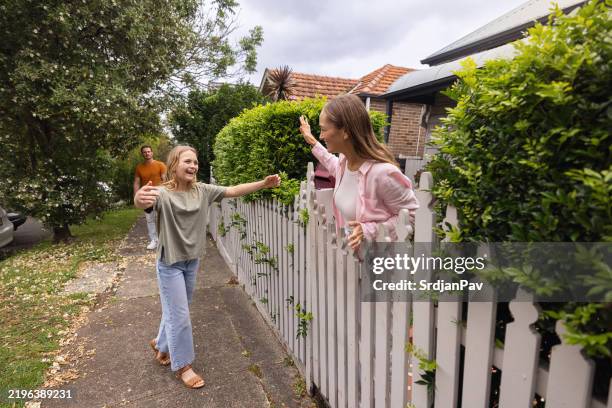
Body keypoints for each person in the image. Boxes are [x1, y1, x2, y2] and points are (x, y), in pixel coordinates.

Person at [134, 145, 281, 389]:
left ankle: (160, 343)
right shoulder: (161, 194)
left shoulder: (202, 191)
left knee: (176, 308)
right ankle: (183, 365)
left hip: (192, 261)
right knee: (180, 315)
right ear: (174, 166)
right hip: (169, 263)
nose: (193, 166)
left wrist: (263, 184)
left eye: (195, 162)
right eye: (188, 162)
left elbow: (233, 190)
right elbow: (143, 203)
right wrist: (139, 199)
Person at [299, 94, 419, 251]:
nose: (321, 135)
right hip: (351, 262)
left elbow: (413, 216)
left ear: (345, 132)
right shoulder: (345, 162)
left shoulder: (382, 174)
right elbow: (331, 162)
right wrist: (312, 141)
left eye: (323, 130)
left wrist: (369, 230)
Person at [134, 145, 167, 250]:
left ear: (152, 153)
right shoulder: (139, 167)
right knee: (149, 219)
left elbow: (165, 180)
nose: (147, 153)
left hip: (160, 194)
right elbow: (136, 182)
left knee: (163, 218)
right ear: (142, 154)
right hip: (147, 196)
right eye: (144, 152)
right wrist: (136, 197)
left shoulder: (160, 165)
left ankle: (165, 241)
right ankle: (154, 240)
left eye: (148, 151)